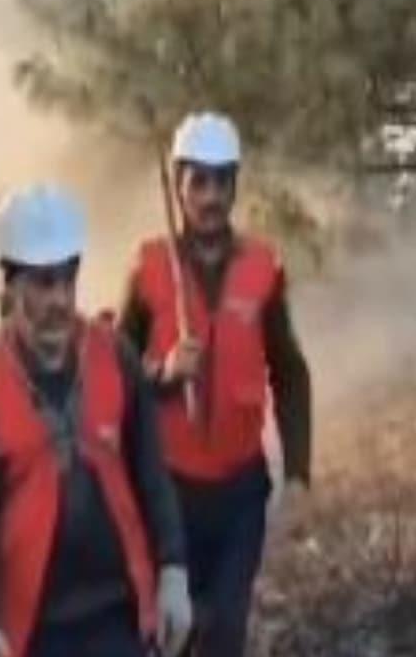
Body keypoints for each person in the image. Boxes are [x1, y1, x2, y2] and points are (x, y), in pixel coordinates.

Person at [0, 182, 193, 657]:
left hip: (121, 616)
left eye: (67, 279)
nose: (59, 299)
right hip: (36, 632)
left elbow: (151, 473)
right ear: (11, 286)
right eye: (42, 283)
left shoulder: (115, 354)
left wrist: (173, 569)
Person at [117, 112, 313, 657]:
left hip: (241, 492)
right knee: (172, 633)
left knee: (226, 630)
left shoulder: (263, 267)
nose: (210, 196)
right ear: (178, 185)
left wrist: (298, 471)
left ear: (234, 186)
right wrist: (163, 373)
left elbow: (289, 372)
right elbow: (114, 373)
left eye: (221, 181)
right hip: (168, 491)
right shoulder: (148, 268)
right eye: (197, 181)